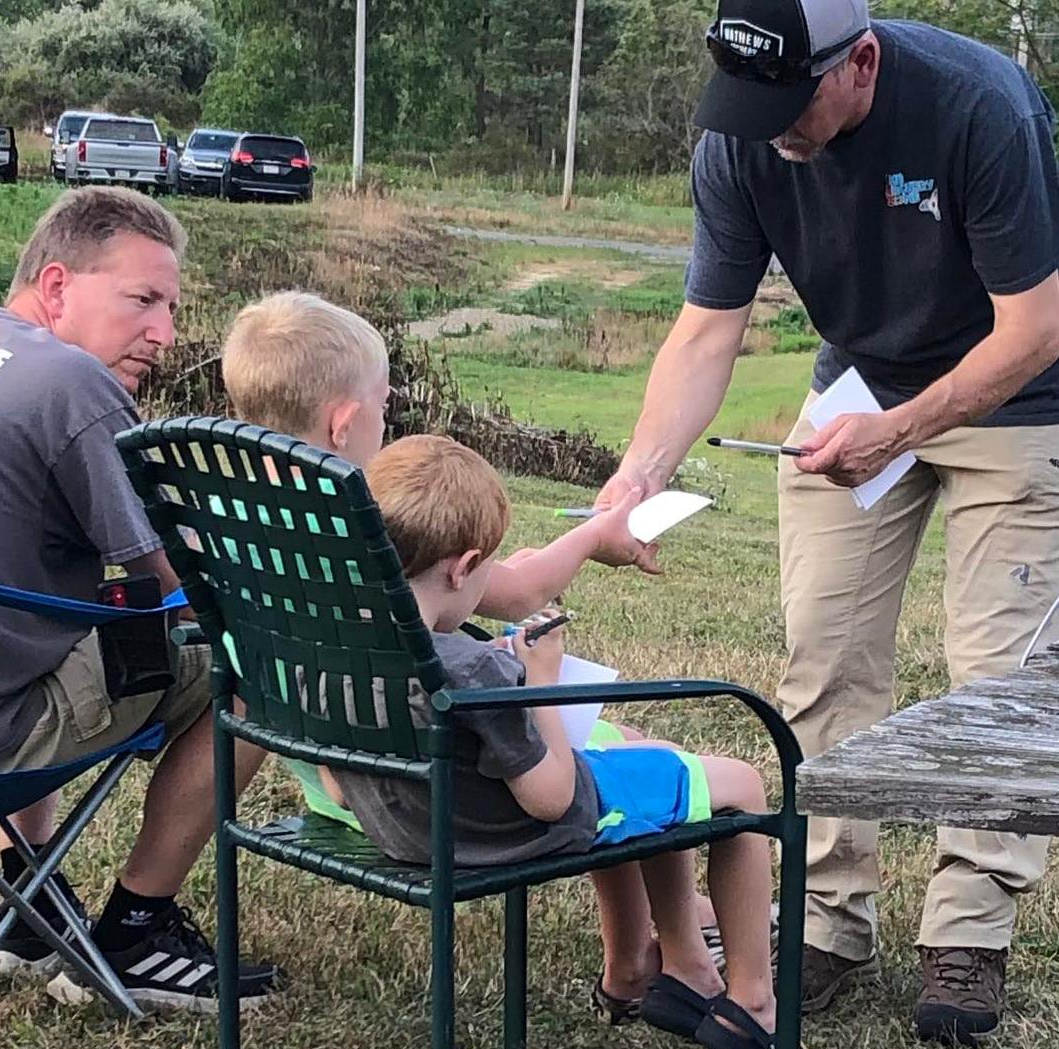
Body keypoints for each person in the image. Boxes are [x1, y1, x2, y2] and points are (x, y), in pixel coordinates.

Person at [595, 0, 1059, 1047]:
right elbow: (708, 328)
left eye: (790, 104)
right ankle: (827, 916)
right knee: (823, 651)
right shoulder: (743, 136)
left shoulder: (975, 104)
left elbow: (1036, 327)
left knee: (995, 680)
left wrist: (902, 430)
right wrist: (637, 473)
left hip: (1022, 396)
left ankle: (970, 936)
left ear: (862, 60)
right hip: (857, 390)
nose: (773, 131)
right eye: (748, 107)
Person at [220, 290, 781, 1011]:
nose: (388, 423)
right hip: (438, 794)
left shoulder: (232, 528)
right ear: (344, 422)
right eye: (385, 407)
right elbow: (513, 602)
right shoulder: (361, 540)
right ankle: (737, 993)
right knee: (626, 757)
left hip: (346, 778)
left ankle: (649, 957)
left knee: (619, 739)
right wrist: (585, 555)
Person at [322, 433, 827, 1049]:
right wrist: (542, 681)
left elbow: (339, 787)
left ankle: (677, 969)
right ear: (463, 565)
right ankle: (752, 1004)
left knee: (661, 763)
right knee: (740, 784)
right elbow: (553, 795)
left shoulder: (341, 646)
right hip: (505, 833)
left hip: (406, 826)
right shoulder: (473, 670)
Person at [0, 186, 281, 1012]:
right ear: (56, 285)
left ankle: (31, 904)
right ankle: (137, 931)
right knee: (264, 669)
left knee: (50, 620)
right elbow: (172, 584)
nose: (166, 333)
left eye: (173, 307)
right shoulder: (71, 383)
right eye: (143, 300)